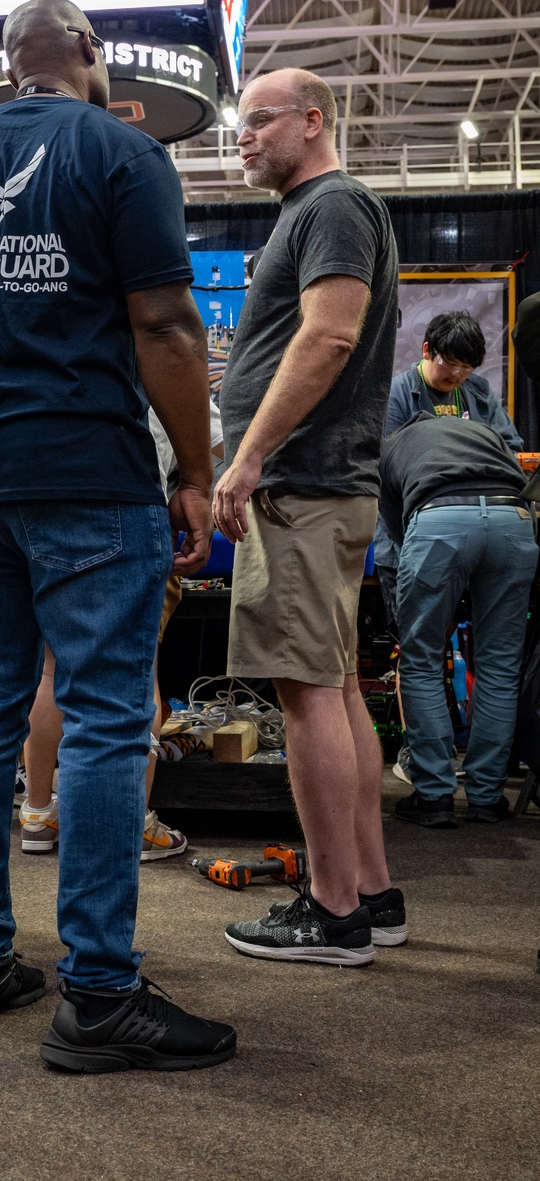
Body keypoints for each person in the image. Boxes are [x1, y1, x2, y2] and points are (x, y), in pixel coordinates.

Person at [0, 0, 235, 1073]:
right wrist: (194, 468)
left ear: (4, 65)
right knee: (99, 718)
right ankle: (96, 992)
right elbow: (168, 324)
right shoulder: (121, 153)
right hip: (86, 469)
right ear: (87, 53)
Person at [213, 67, 403, 967]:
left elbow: (329, 334)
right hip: (320, 481)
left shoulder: (331, 205)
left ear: (312, 120)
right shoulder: (317, 210)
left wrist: (249, 456)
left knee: (305, 692)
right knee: (329, 687)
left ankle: (332, 911)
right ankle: (368, 888)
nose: (241, 138)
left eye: (258, 122)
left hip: (304, 482)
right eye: (238, 125)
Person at [19, 405, 225, 860]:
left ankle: (37, 811)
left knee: (52, 672)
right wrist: (190, 482)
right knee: (137, 679)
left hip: (49, 505)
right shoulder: (154, 350)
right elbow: (216, 438)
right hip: (130, 513)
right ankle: (131, 822)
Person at [380, 413, 538, 827]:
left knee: (420, 660)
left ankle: (434, 796)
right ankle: (487, 797)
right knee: (501, 664)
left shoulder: (393, 445)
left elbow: (398, 528)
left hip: (438, 518)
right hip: (513, 519)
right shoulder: (484, 431)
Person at [374, 311, 522, 624]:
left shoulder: (478, 393)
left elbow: (511, 448)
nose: (455, 373)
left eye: (466, 367)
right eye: (449, 362)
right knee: (417, 638)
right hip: (411, 538)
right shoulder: (395, 395)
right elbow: (384, 467)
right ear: (427, 350)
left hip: (473, 536)